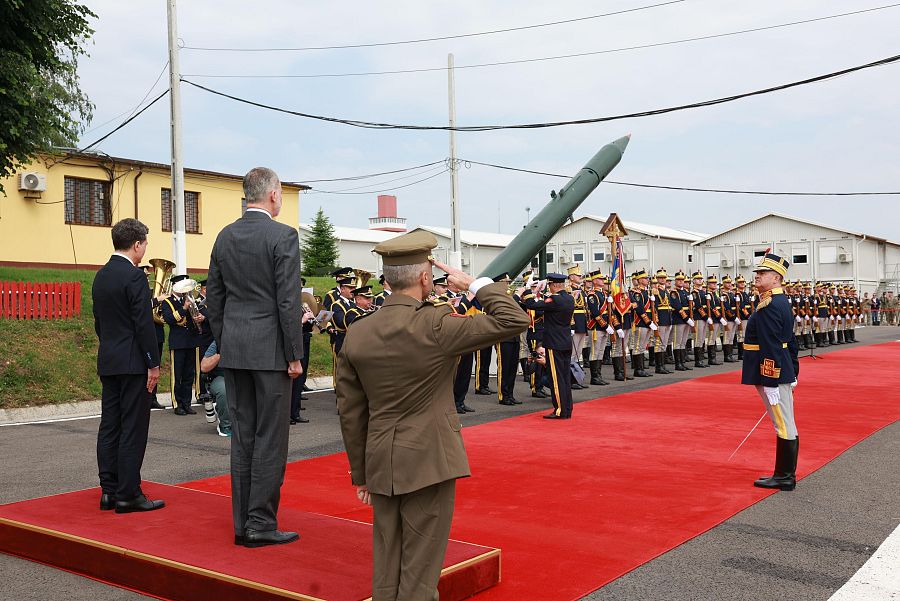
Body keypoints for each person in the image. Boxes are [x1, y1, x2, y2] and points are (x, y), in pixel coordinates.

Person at [336, 230, 529, 600]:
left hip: (380, 458)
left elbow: (351, 410)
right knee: (420, 572)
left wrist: (361, 473)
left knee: (388, 563)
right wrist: (475, 284)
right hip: (429, 458)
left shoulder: (358, 331)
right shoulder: (436, 324)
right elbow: (513, 320)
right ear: (425, 277)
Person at [206, 167, 304, 548]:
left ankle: (242, 523)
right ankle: (260, 522)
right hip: (271, 353)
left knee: (243, 437)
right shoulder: (283, 236)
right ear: (274, 194)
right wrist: (294, 355)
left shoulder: (225, 236)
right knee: (270, 439)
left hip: (236, 351)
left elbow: (214, 298)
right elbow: (287, 301)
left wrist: (226, 341)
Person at [91, 218, 164, 513]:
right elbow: (143, 325)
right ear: (136, 244)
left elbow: (99, 322)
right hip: (134, 363)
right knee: (133, 428)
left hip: (109, 359)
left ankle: (108, 491)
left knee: (110, 425)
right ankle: (129, 493)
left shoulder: (101, 276)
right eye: (145, 244)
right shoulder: (134, 277)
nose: (145, 249)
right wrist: (153, 363)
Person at [741, 253, 800, 491]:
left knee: (783, 424)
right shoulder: (779, 301)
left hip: (773, 372)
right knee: (786, 422)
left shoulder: (770, 305)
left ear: (776, 278)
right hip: (782, 369)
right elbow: (790, 341)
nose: (757, 276)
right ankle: (785, 474)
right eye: (757, 272)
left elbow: (771, 345)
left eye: (763, 273)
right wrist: (793, 371)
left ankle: (784, 476)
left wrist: (770, 380)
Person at [524, 273, 576, 419]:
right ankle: (567, 408)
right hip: (565, 342)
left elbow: (531, 304)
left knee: (556, 378)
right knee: (564, 377)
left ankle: (559, 410)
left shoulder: (555, 299)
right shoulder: (569, 298)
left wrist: (530, 290)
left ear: (554, 285)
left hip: (554, 343)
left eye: (550, 285)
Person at [200, 340, 231, 437]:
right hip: (221, 377)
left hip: (241, 377)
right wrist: (221, 354)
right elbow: (204, 366)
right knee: (224, 390)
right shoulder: (218, 343)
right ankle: (225, 425)